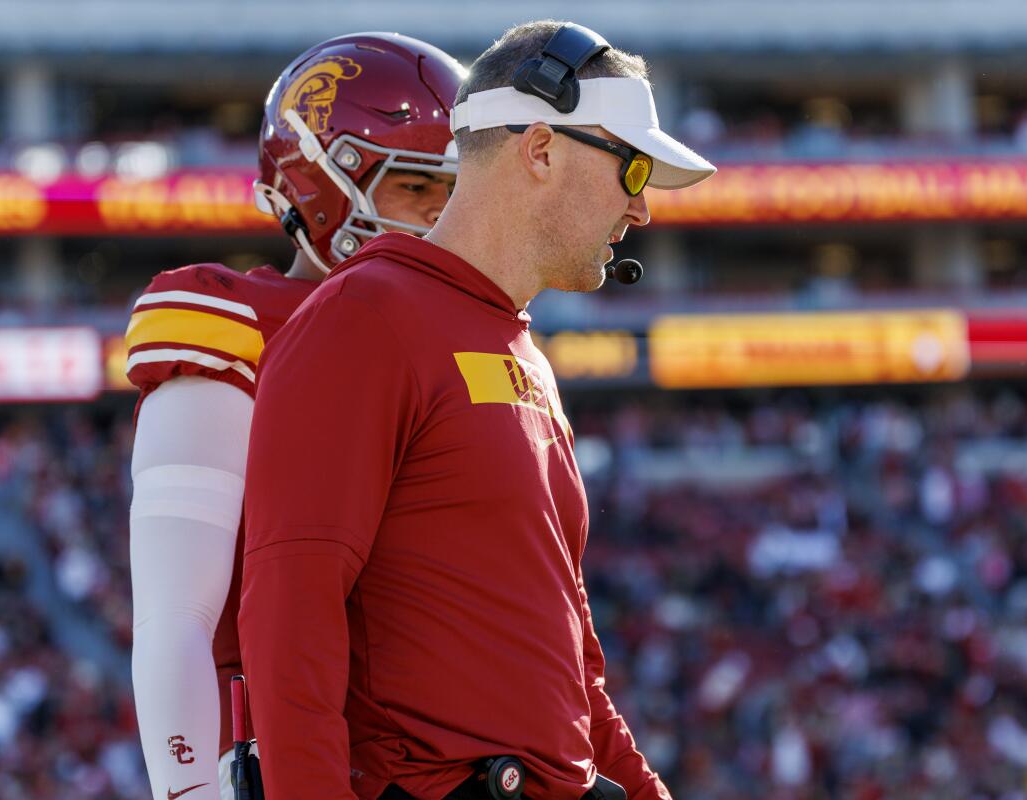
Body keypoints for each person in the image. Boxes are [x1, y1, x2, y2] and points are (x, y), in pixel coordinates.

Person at [237, 20, 715, 800]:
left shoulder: (522, 352)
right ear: (539, 149)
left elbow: (571, 667)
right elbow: (291, 610)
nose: (643, 210)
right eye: (632, 170)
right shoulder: (363, 314)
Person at [125, 33, 463, 800]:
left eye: (457, 194)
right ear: (322, 185)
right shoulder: (239, 324)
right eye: (418, 188)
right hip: (292, 764)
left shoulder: (457, 337)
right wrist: (189, 793)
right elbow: (176, 618)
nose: (444, 219)